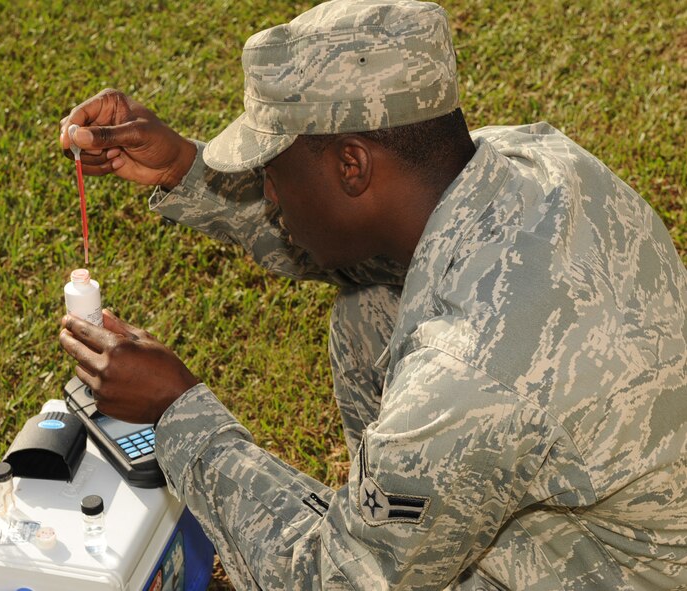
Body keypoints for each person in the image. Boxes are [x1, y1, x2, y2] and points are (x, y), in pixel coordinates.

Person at [57, 1, 687, 589]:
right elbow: (342, 238)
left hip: (625, 570)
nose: (269, 196)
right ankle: (397, 512)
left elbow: (329, 575)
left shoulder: (465, 378)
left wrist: (178, 411)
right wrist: (183, 169)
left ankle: (395, 531)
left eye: (271, 173)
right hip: (613, 488)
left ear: (352, 165)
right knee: (371, 310)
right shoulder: (529, 159)